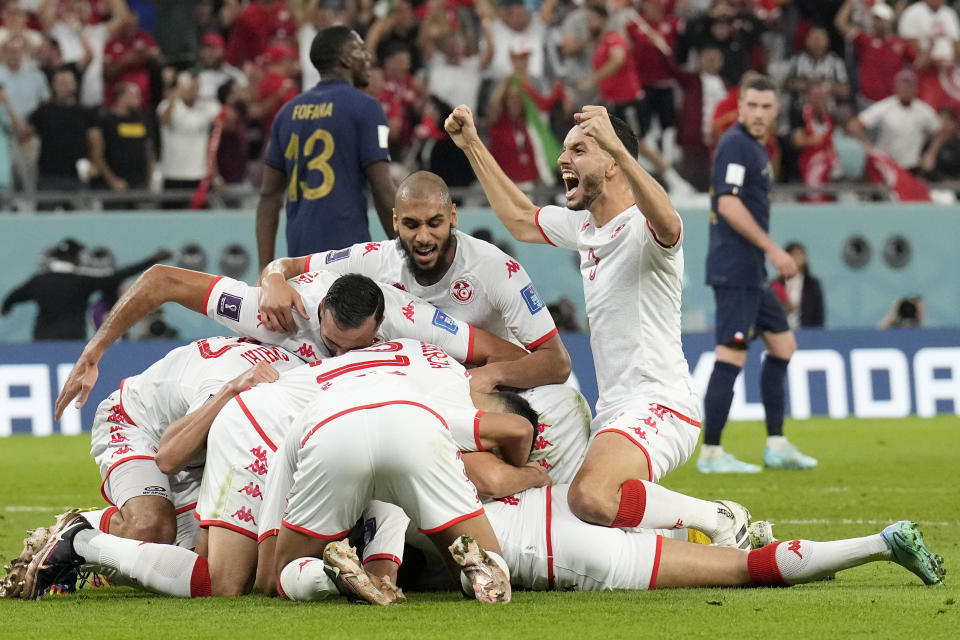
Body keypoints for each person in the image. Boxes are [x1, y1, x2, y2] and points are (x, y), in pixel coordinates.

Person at [443, 104, 755, 547]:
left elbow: (669, 220)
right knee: (589, 521)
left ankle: (721, 518)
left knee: (588, 496)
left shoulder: (645, 230)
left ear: (611, 161)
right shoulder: (586, 227)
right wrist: (472, 144)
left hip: (660, 403)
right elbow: (519, 218)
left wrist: (621, 149)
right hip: (613, 410)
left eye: (579, 149)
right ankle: (691, 540)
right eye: (565, 149)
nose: (562, 159)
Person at [257, 171, 587, 482]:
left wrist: (493, 374)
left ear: (453, 217)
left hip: (478, 394)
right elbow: (289, 265)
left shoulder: (495, 269)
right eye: (412, 225)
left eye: (435, 223)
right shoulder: (374, 257)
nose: (424, 237)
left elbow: (557, 362)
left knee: (557, 411)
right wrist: (272, 278)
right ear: (395, 221)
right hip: (411, 397)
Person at [53, 267, 525, 422]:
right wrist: (92, 353)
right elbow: (162, 281)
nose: (338, 357)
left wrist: (465, 383)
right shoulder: (278, 311)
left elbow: (508, 356)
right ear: (318, 313)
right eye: (331, 345)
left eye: (351, 350)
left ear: (380, 328)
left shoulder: (413, 322)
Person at [699, 75, 817, 474]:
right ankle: (711, 453)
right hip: (735, 270)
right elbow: (728, 205)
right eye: (752, 105)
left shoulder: (756, 148)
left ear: (776, 110)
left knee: (783, 347)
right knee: (731, 355)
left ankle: (777, 444)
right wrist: (772, 248)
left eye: (767, 107)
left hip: (752, 272)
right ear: (740, 106)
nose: (759, 113)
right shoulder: (735, 144)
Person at [82, 337, 298, 550]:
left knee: (202, 567)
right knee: (151, 529)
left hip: (198, 455)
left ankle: (115, 549)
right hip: (137, 424)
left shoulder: (301, 378)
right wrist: (231, 390)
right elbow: (168, 457)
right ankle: (76, 531)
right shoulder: (228, 386)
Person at [256, 26, 397, 272]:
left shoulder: (287, 113)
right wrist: (406, 254)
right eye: (361, 50)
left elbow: (268, 197)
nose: (368, 57)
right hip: (349, 258)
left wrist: (266, 272)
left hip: (300, 263)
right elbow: (383, 190)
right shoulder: (367, 108)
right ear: (345, 58)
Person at [1, 239, 168, 341]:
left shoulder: (39, 280)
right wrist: (152, 260)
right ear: (73, 257)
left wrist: (6, 307)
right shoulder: (81, 280)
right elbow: (116, 276)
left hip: (43, 340)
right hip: (72, 340)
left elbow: (14, 296)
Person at [89, 82, 154, 206]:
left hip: (139, 184)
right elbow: (97, 154)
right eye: (135, 95)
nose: (139, 99)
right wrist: (112, 180)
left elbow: (148, 150)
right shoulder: (105, 121)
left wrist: (149, 180)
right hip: (115, 185)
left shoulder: (142, 119)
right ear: (121, 97)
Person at [771, 242, 824, 330]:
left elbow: (818, 314)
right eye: (793, 254)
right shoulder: (775, 284)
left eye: (801, 254)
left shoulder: (812, 284)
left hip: (807, 332)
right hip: (781, 332)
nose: (797, 258)